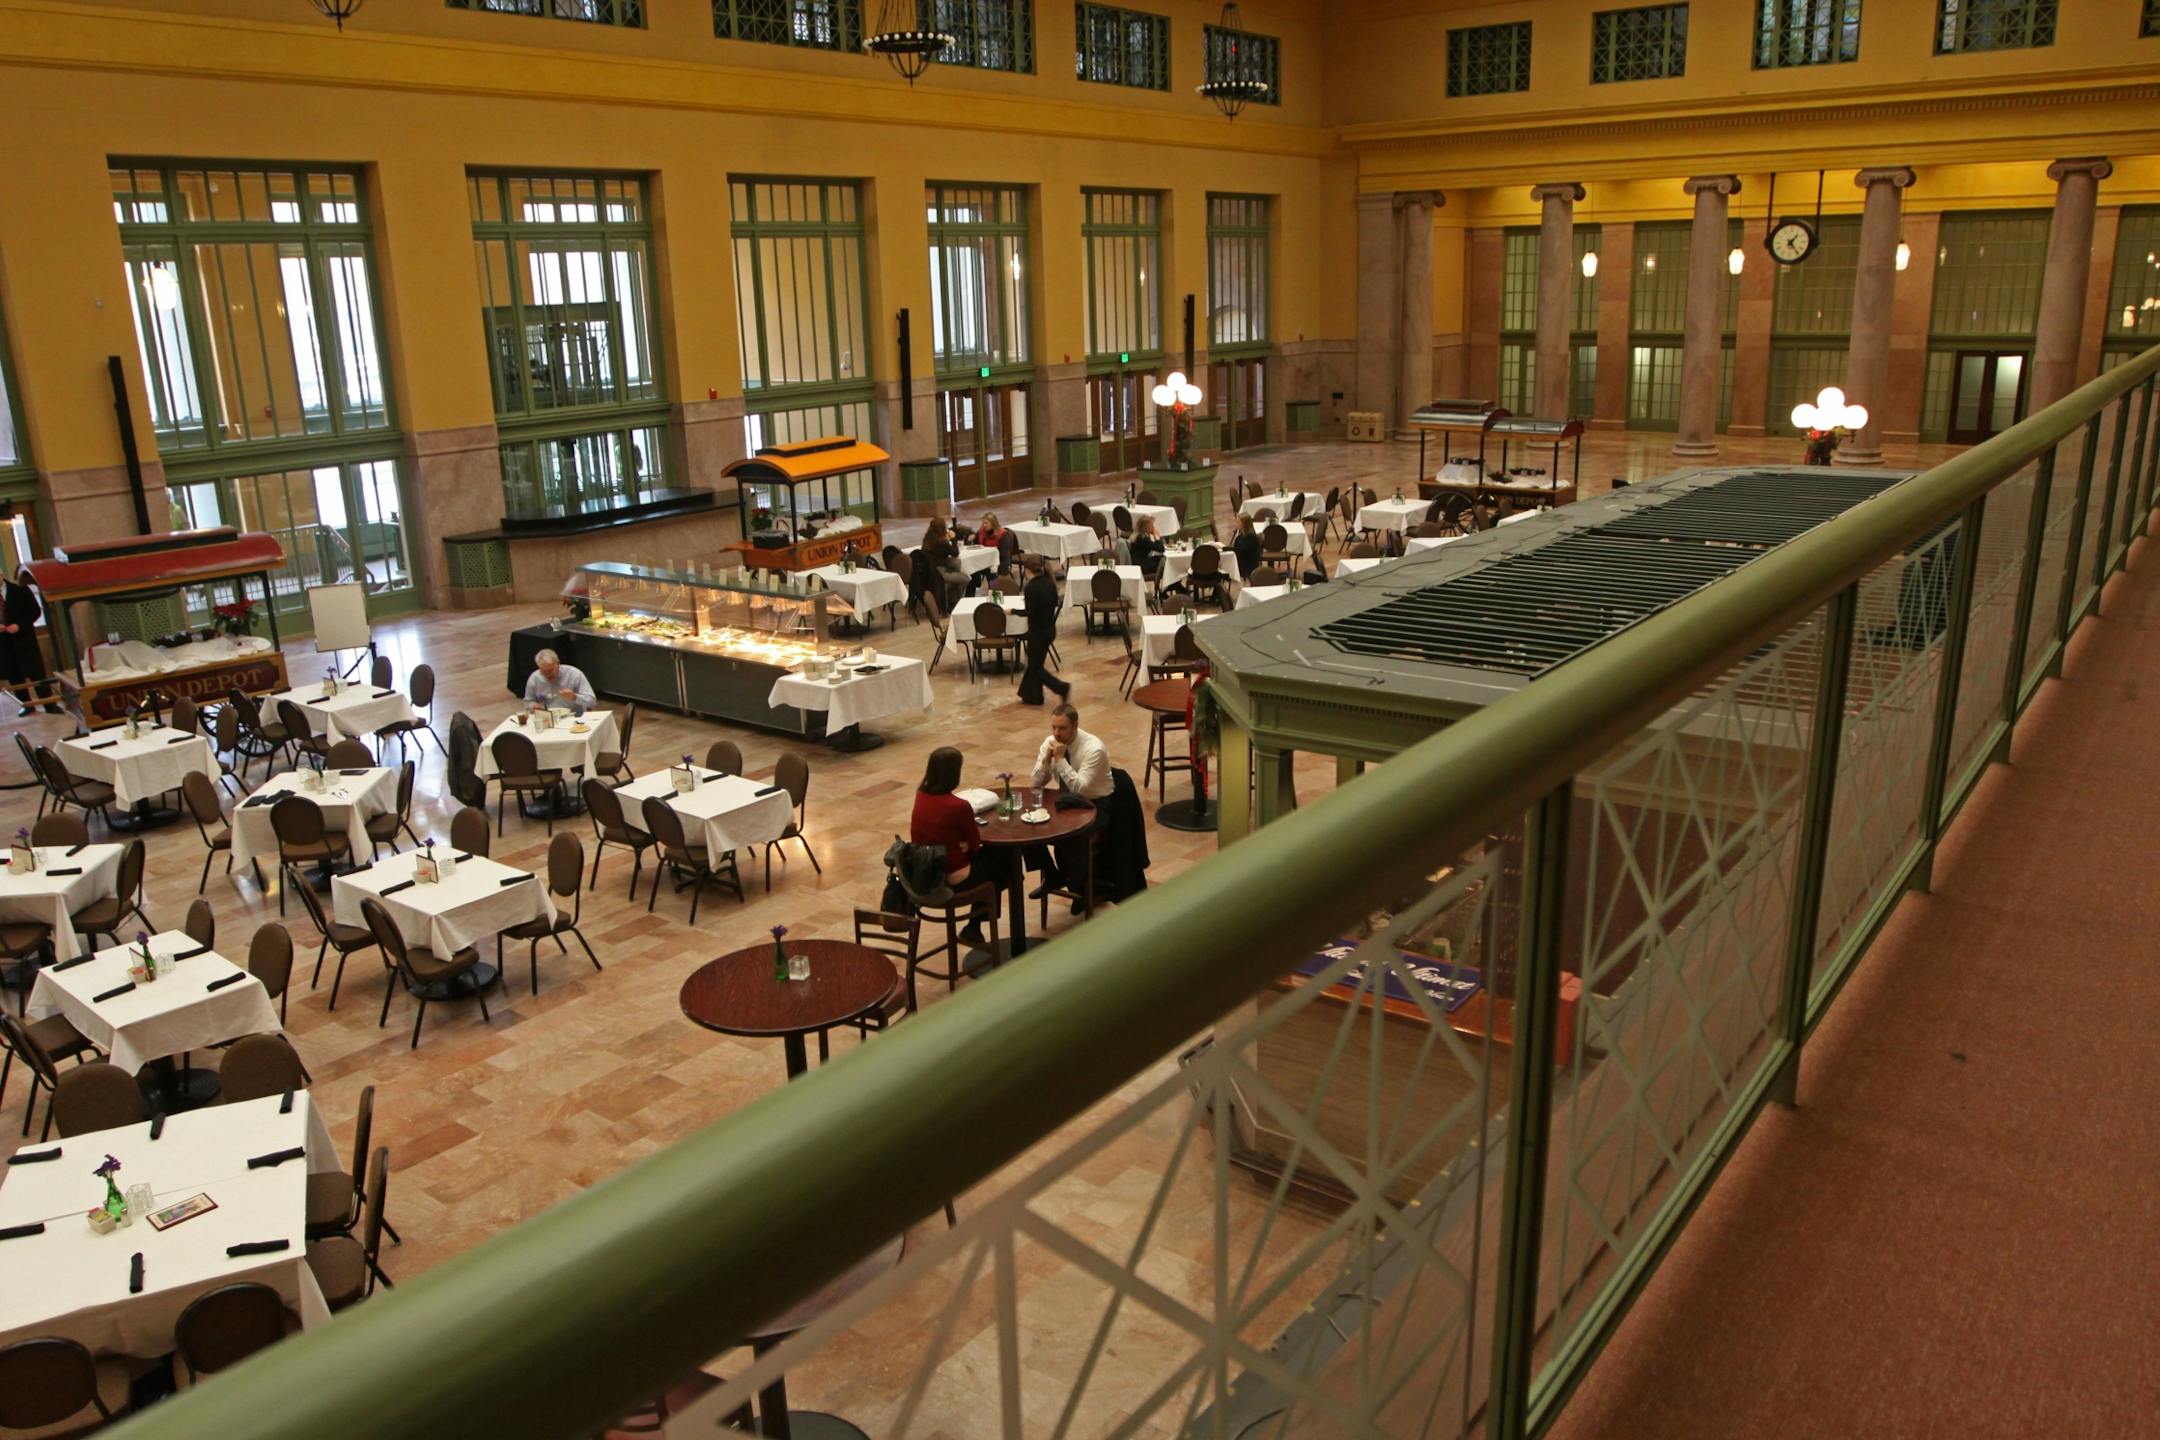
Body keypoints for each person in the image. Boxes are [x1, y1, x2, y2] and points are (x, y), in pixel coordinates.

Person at [1026, 703, 1114, 911]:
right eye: (1054, 727)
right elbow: (1035, 783)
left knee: (1069, 835)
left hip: (1095, 805)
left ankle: (1081, 888)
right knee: (1028, 827)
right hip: (1067, 802)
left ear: (1075, 726)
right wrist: (1046, 761)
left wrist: (1060, 760)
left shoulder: (1094, 748)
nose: (1057, 733)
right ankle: (1052, 874)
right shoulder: (1050, 742)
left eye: (1062, 728)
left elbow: (1080, 788)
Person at [910, 746, 1001, 945]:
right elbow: (975, 845)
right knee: (1004, 862)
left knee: (997, 866)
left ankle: (974, 927)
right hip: (951, 875)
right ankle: (975, 925)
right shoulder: (959, 806)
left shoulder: (921, 795)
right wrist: (967, 844)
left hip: (925, 870)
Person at [1, 569, 59, 716]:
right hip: (4, 643)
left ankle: (49, 705)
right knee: (14, 675)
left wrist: (19, 625)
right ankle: (26, 704)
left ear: (1, 575)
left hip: (24, 639)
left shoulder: (20, 590)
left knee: (36, 673)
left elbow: (35, 612)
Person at [1016, 554, 1068, 707]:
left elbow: (1030, 612)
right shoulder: (1049, 583)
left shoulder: (1031, 588)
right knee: (1035, 664)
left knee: (1036, 668)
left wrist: (1013, 611)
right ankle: (1033, 696)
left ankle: (1062, 688)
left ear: (1027, 571)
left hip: (1037, 632)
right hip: (1049, 629)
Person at [524, 649, 594, 712]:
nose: (547, 675)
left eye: (550, 670)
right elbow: (528, 702)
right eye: (543, 672)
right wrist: (534, 706)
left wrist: (574, 697)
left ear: (558, 664)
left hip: (574, 715)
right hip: (548, 717)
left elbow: (592, 701)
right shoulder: (534, 678)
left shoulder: (575, 674)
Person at [920, 517, 967, 609]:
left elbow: (939, 553)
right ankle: (956, 603)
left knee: (955, 572)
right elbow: (955, 553)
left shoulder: (927, 539)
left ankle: (951, 600)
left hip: (929, 571)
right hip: (940, 572)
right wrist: (953, 539)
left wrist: (946, 540)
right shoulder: (942, 542)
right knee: (965, 579)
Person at [1129, 516, 1165, 586]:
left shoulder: (1138, 536)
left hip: (1140, 562)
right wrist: (1157, 536)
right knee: (1164, 561)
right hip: (1143, 566)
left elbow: (1154, 547)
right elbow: (1161, 549)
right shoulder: (1142, 538)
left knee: (1162, 559)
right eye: (1152, 525)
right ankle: (1170, 585)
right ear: (1146, 527)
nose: (1153, 527)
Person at [1230, 513, 1263, 580]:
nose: (1236, 523)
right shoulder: (1241, 535)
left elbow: (1241, 550)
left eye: (1238, 522)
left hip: (1247, 565)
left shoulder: (1251, 537)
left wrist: (1225, 548)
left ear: (1244, 524)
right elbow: (1236, 548)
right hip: (1242, 561)